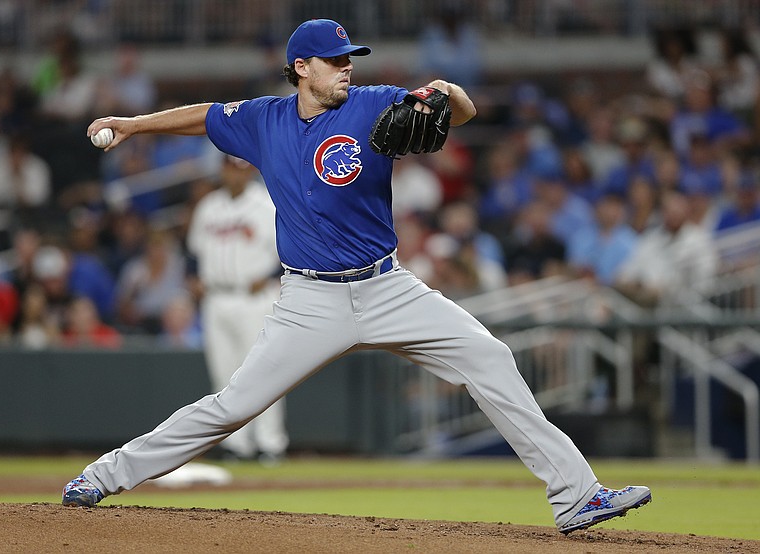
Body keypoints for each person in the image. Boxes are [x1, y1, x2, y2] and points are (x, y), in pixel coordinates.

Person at [61, 18, 650, 535]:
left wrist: (450, 92)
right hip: (309, 299)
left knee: (489, 357)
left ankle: (576, 496)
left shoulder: (372, 103)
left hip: (388, 287)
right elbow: (203, 117)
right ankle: (102, 476)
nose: (347, 69)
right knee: (232, 406)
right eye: (335, 60)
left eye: (350, 59)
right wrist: (134, 125)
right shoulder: (264, 121)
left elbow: (461, 116)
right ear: (300, 69)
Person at [187, 154, 288, 462]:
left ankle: (270, 444)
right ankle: (236, 444)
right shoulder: (209, 207)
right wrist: (193, 278)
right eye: (231, 168)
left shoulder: (266, 204)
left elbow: (290, 250)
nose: (236, 174)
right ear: (222, 170)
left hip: (254, 298)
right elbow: (193, 252)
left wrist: (271, 275)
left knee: (263, 372)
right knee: (224, 374)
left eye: (242, 168)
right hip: (216, 297)